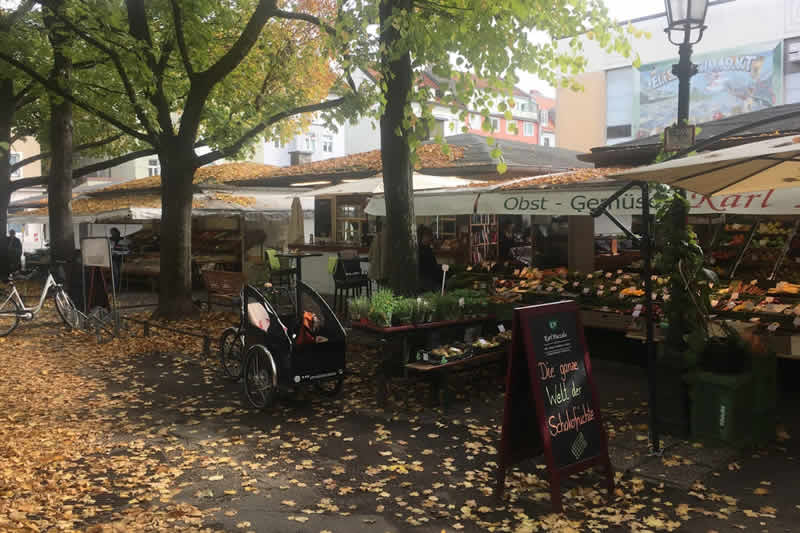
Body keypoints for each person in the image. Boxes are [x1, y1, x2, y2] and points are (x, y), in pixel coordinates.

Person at [418, 225, 440, 291]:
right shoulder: (421, 250)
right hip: (425, 282)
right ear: (421, 236)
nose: (430, 238)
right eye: (428, 236)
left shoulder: (427, 248)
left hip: (430, 279)